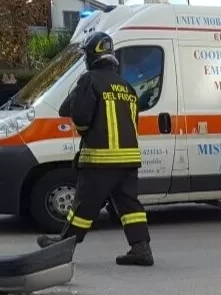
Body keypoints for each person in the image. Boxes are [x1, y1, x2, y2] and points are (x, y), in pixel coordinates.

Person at [36, 32, 155, 265]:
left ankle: (63, 248)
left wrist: (85, 131)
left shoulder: (89, 80)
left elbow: (79, 117)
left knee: (83, 204)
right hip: (128, 158)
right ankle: (142, 249)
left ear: (91, 56)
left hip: (101, 158)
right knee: (130, 205)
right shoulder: (127, 86)